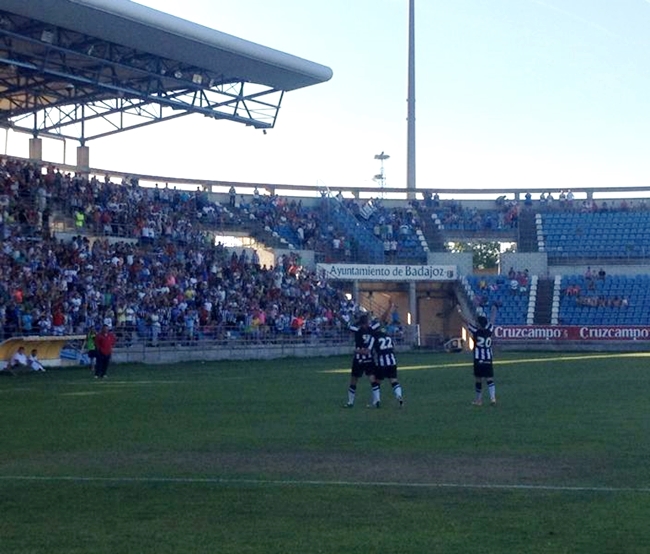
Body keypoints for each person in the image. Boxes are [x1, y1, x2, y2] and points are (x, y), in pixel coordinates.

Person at [458, 303, 498, 406]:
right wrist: (494, 308)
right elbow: (493, 319)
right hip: (488, 358)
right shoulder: (489, 329)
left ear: (479, 324)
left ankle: (478, 400)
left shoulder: (475, 331)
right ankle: (493, 398)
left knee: (478, 380)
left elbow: (465, 321)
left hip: (478, 359)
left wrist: (459, 311)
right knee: (490, 379)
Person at [343, 313, 379, 408]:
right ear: (366, 322)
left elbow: (347, 325)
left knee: (354, 380)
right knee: (372, 379)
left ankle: (350, 402)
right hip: (369, 358)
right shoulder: (371, 330)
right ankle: (376, 400)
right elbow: (381, 322)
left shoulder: (357, 330)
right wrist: (388, 307)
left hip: (359, 358)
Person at [371, 317, 404, 408]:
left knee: (377, 382)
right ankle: (399, 395)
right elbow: (394, 347)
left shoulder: (374, 337)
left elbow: (372, 350)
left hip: (382, 363)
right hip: (392, 361)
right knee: (394, 380)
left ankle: (376, 401)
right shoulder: (387, 336)